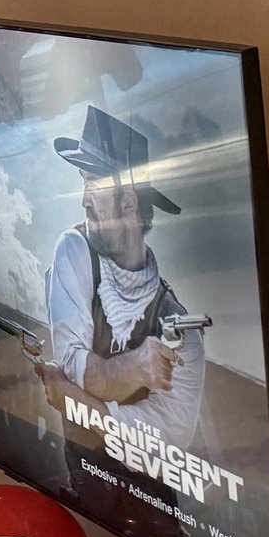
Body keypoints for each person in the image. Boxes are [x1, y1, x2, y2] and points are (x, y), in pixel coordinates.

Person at [44, 105, 204, 452]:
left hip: (155, 500)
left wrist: (79, 401)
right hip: (82, 477)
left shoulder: (183, 331)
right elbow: (73, 367)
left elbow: (168, 442)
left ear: (129, 204)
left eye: (94, 185)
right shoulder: (75, 250)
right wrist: (135, 368)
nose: (84, 200)